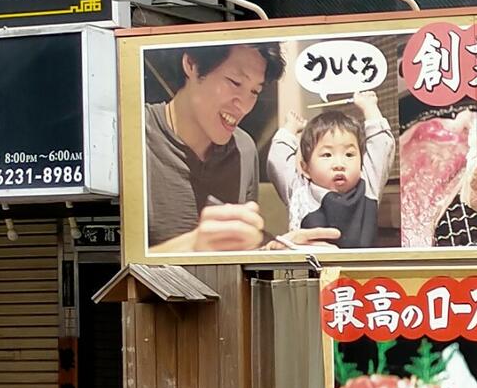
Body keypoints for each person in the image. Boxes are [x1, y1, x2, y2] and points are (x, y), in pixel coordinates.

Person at [144, 40, 342, 258]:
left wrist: (274, 249)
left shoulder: (244, 148)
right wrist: (193, 246)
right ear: (191, 64)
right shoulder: (135, 134)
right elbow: (110, 267)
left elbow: (237, 255)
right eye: (235, 82)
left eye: (255, 92)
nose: (245, 105)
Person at [267, 93, 395, 249]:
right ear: (305, 168)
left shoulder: (368, 184)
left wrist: (370, 107)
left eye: (349, 154)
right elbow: (277, 161)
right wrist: (290, 128)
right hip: (312, 271)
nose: (339, 164)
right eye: (327, 155)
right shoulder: (300, 191)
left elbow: (382, 145)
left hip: (360, 271)